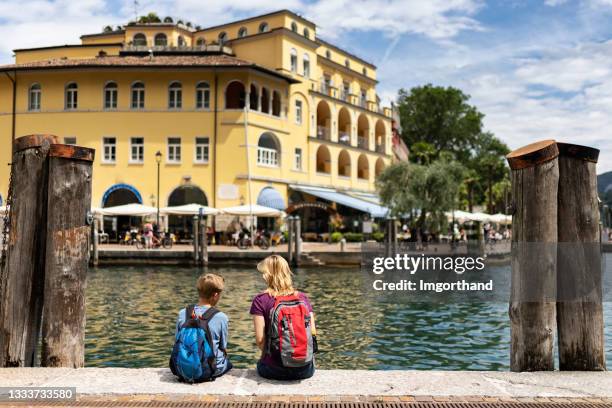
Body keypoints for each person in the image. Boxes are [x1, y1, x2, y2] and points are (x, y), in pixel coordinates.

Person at [250, 255, 316, 381]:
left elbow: (260, 340)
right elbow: (312, 332)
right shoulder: (302, 297)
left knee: (260, 364)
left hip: (274, 370)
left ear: (266, 275)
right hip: (305, 369)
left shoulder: (260, 300)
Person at [172, 273, 232, 380]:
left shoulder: (183, 313)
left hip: (181, 368)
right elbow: (223, 347)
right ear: (215, 295)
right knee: (228, 362)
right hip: (209, 370)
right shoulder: (221, 317)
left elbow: (177, 340)